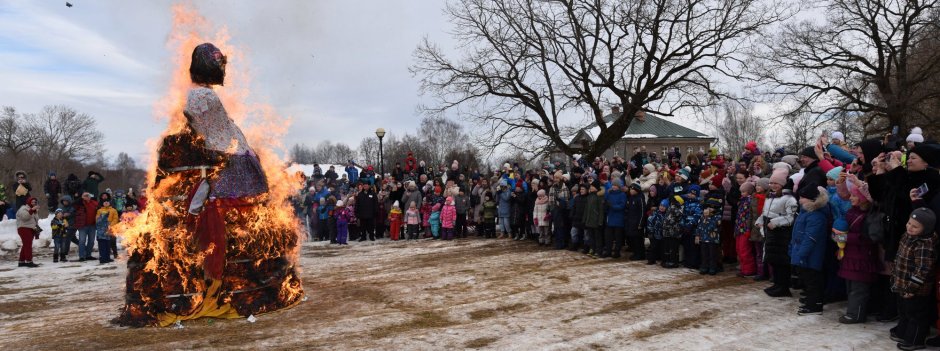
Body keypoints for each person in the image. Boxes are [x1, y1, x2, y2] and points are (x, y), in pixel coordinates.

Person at [891, 208, 937, 350]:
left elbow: (923, 269)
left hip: (916, 289)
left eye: (915, 226)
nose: (910, 227)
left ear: (926, 229)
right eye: (909, 223)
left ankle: (915, 339)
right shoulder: (908, 236)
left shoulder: (924, 245)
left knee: (916, 315)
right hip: (902, 283)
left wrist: (912, 288)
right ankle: (903, 332)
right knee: (904, 311)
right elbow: (899, 257)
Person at [757, 168, 797, 297]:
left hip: (781, 234)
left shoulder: (789, 198)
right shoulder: (770, 196)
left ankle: (783, 287)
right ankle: (777, 284)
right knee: (773, 259)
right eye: (771, 183)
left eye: (776, 183)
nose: (773, 186)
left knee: (781, 261)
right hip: (770, 233)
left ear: (783, 184)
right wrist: (760, 220)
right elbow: (765, 212)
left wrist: (776, 222)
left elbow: (792, 216)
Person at [790, 186, 831, 315]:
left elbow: (810, 237)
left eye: (803, 198)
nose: (800, 200)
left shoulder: (816, 215)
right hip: (802, 252)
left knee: (813, 280)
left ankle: (815, 305)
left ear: (811, 200)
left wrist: (801, 253)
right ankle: (811, 301)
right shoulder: (805, 212)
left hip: (811, 255)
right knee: (807, 279)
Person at [16, 197, 40, 267]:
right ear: (28, 202)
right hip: (24, 228)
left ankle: (21, 261)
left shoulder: (34, 211)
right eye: (32, 202)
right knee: (28, 245)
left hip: (31, 229)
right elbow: (25, 217)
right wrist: (32, 210)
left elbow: (36, 219)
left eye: (35, 202)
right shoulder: (23, 208)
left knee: (26, 245)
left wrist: (35, 211)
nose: (33, 203)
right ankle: (29, 261)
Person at [76, 192, 99, 262]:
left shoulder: (94, 203)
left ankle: (88, 255)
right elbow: (74, 204)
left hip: (92, 225)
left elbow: (100, 208)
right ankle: (81, 256)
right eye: (85, 196)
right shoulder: (80, 203)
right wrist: (81, 198)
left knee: (91, 241)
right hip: (83, 225)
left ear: (90, 196)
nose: (87, 197)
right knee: (82, 241)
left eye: (88, 196)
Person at [95, 200, 119, 264]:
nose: (106, 203)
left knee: (108, 244)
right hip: (101, 231)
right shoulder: (99, 211)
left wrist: (110, 225)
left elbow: (115, 218)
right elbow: (97, 220)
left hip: (110, 229)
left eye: (107, 201)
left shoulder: (113, 210)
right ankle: (102, 258)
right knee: (102, 245)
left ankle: (107, 257)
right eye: (104, 202)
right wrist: (103, 218)